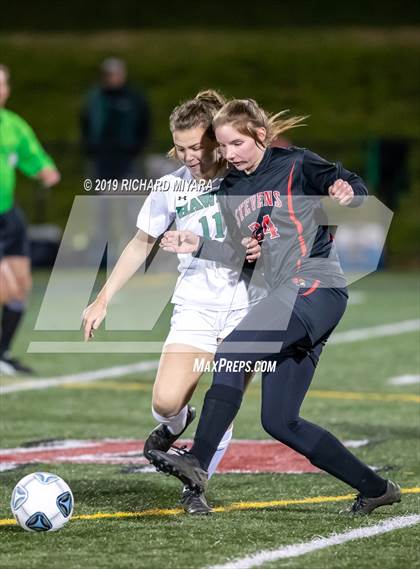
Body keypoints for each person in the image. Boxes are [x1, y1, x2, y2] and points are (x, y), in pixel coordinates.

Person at [148, 98, 402, 516]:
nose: (228, 154)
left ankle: (197, 461)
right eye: (223, 146)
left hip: (315, 286)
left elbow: (353, 186)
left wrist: (347, 192)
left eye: (236, 144)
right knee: (280, 421)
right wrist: (206, 245)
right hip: (286, 297)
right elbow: (242, 253)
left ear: (260, 136)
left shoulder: (297, 164)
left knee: (233, 351)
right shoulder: (230, 188)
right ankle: (376, 488)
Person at [82, 91, 264, 515]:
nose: (187, 157)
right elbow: (140, 243)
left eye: (195, 148)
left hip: (248, 308)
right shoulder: (170, 186)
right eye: (180, 148)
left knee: (225, 400)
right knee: (165, 403)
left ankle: (195, 486)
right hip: (195, 307)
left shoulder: (248, 178)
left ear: (217, 141)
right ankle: (178, 425)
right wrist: (102, 299)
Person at [0, 64, 60, 375]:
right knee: (5, 288)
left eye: (3, 84)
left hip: (8, 215)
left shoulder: (12, 124)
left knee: (21, 287)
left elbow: (31, 155)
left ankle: (3, 353)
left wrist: (45, 170)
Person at [81, 57, 151, 180]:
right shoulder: (96, 97)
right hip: (100, 156)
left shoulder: (134, 98)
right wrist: (90, 145)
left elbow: (144, 121)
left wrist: (138, 146)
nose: (110, 78)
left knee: (129, 191)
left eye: (114, 74)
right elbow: (85, 122)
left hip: (128, 156)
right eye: (107, 74)